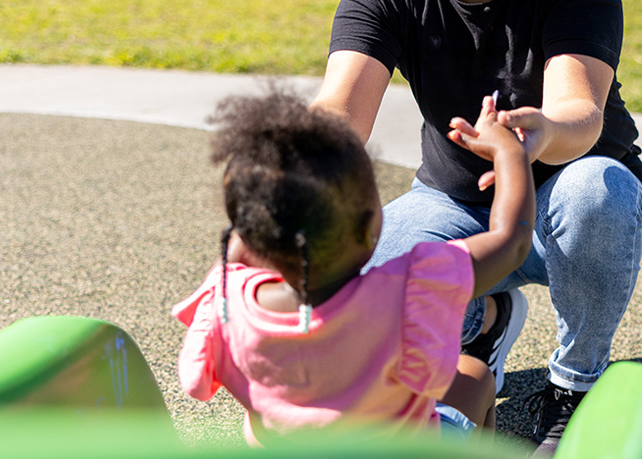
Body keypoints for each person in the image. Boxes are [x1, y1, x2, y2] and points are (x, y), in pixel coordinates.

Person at [310, 0, 642, 455]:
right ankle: (480, 321)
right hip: (456, 203)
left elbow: (579, 110)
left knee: (596, 195)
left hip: (573, 197)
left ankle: (574, 382)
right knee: (372, 269)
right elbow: (337, 116)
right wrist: (290, 171)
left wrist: (537, 136)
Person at [171, 92, 535, 445]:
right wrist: (508, 153)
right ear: (368, 229)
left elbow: (195, 380)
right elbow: (511, 242)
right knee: (476, 376)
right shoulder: (407, 291)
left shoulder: (225, 297)